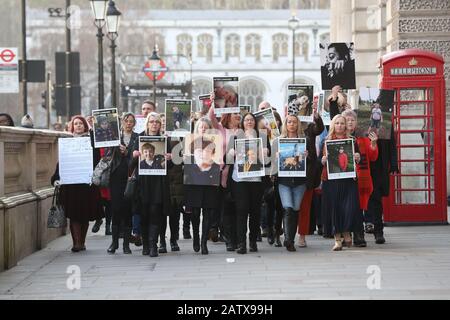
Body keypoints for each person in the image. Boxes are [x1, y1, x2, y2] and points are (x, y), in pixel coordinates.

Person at [50, 115, 103, 252]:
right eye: (76, 124)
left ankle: (82, 242)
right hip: (71, 184)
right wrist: (56, 177)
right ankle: (76, 243)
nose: (78, 126)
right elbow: (62, 162)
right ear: (72, 126)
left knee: (84, 215)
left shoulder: (91, 141)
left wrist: (92, 129)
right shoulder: (67, 142)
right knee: (73, 215)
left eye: (81, 123)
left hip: (86, 183)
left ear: (85, 126)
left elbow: (97, 158)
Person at [131, 112, 172, 257]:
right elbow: (131, 164)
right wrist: (134, 155)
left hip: (158, 183)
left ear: (160, 125)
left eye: (157, 122)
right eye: (152, 122)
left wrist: (169, 158)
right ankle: (146, 245)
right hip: (142, 183)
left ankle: (153, 245)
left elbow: (171, 166)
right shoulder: (138, 138)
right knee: (144, 214)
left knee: (155, 213)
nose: (154, 124)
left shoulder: (165, 139)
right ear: (147, 123)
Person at [321, 114, 360, 251]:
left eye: (342, 123)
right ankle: (337, 239)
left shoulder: (352, 141)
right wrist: (323, 160)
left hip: (348, 180)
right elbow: (322, 160)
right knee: (335, 209)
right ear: (333, 125)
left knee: (349, 208)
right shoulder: (326, 140)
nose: (340, 126)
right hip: (332, 181)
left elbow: (357, 160)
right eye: (337, 123)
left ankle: (347, 232)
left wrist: (357, 157)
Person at [343, 109, 378, 247]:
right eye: (347, 120)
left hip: (361, 177)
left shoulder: (363, 137)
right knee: (347, 208)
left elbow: (373, 157)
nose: (350, 122)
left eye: (352, 120)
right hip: (344, 178)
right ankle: (347, 235)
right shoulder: (339, 137)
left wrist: (374, 143)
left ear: (356, 122)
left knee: (358, 207)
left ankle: (358, 235)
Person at [107, 113, 139, 254]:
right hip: (116, 178)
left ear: (134, 123)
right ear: (122, 122)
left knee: (127, 210)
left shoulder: (137, 137)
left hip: (130, 177)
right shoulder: (115, 136)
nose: (128, 123)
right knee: (116, 210)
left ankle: (126, 245)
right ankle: (114, 243)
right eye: (126, 121)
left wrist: (127, 152)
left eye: (131, 121)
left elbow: (137, 157)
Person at [184, 138, 221, 254]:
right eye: (199, 151)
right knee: (195, 215)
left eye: (206, 150)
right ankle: (196, 236)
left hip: (210, 190)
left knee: (208, 215)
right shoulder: (190, 166)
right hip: (194, 190)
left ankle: (204, 242)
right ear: (193, 152)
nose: (203, 153)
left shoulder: (215, 167)